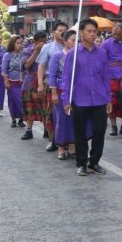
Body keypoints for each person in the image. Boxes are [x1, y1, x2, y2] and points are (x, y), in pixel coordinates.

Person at [62, 18, 112, 176]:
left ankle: (94, 162)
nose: (92, 34)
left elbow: (106, 77)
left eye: (94, 31)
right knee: (80, 133)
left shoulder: (102, 53)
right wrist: (66, 100)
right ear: (81, 33)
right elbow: (67, 78)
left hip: (99, 98)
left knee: (99, 131)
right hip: (79, 99)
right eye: (89, 31)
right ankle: (81, 163)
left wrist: (108, 98)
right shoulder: (73, 54)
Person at [37, 21, 68, 152]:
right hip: (52, 83)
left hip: (68, 85)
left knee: (67, 113)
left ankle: (68, 140)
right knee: (51, 113)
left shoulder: (72, 47)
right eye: (60, 30)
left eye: (65, 30)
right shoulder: (48, 47)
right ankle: (53, 140)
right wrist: (40, 84)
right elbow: (41, 66)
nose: (62, 33)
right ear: (54, 32)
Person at [48, 30, 78, 160]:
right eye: (72, 40)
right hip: (61, 91)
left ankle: (72, 145)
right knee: (61, 119)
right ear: (65, 41)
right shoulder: (57, 56)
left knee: (74, 119)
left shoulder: (78, 56)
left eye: (77, 40)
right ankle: (60, 146)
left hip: (76, 92)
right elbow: (52, 75)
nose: (75, 43)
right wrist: (54, 93)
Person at [20, 31, 47, 140]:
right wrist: (36, 51)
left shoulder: (48, 49)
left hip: (44, 81)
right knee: (29, 108)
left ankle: (47, 130)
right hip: (30, 82)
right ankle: (29, 130)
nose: (43, 43)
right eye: (40, 41)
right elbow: (26, 65)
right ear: (35, 41)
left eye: (44, 41)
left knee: (45, 108)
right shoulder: (27, 50)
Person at [2, 36, 25, 128]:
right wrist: (6, 81)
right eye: (17, 43)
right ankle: (13, 119)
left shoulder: (23, 54)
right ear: (12, 44)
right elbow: (4, 70)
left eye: (21, 43)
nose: (20, 45)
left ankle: (21, 119)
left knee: (22, 101)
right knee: (12, 101)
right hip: (12, 82)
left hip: (23, 82)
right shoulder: (7, 55)